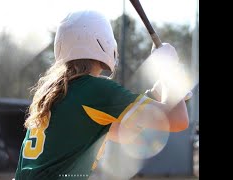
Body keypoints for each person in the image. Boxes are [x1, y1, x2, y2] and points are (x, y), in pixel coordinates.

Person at [14, 10, 189, 180]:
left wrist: (157, 93)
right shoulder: (95, 90)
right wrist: (168, 69)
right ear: (104, 42)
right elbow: (178, 120)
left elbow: (129, 134)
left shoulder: (57, 91)